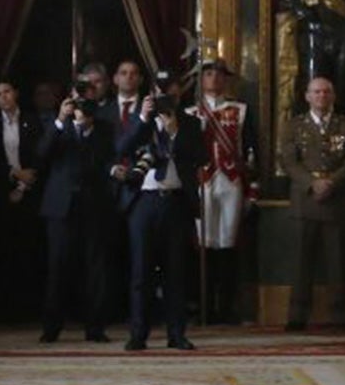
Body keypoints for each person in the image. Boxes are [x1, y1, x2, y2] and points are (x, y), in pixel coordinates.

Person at [121, 77, 205, 351]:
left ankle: (177, 333)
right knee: (140, 271)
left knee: (176, 271)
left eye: (169, 94)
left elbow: (201, 156)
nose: (164, 99)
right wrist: (144, 119)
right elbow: (120, 148)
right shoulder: (138, 120)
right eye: (159, 94)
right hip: (144, 202)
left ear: (178, 95)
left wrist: (174, 133)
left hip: (176, 201)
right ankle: (138, 334)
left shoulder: (190, 123)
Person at [280, 75, 345, 329]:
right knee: (301, 263)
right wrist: (311, 183)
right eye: (316, 92)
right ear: (307, 96)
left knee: (337, 262)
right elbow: (288, 161)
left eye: (326, 92)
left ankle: (340, 315)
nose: (321, 97)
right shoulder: (294, 126)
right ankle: (296, 316)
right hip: (305, 201)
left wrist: (331, 182)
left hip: (335, 200)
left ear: (334, 96)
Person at [38, 79, 113, 343]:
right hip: (61, 207)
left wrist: (88, 127)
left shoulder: (103, 128)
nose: (82, 105)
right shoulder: (56, 124)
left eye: (87, 99)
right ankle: (51, 327)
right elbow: (42, 154)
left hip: (93, 206)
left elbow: (105, 158)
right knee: (58, 267)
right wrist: (61, 120)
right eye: (78, 99)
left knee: (95, 269)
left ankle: (95, 327)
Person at [0, 78, 44, 322]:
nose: (3, 97)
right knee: (3, 248)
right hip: (1, 191)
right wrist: (13, 174)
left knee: (29, 248)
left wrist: (23, 185)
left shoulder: (32, 120)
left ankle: (29, 305)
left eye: (7, 91)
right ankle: (5, 306)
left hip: (31, 192)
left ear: (15, 93)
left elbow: (39, 155)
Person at [193, 60, 257, 324]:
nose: (214, 79)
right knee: (205, 244)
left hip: (231, 180)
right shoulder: (191, 111)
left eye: (219, 75)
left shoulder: (240, 110)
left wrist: (253, 186)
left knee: (228, 243)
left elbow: (252, 149)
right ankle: (204, 306)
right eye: (208, 74)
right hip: (203, 181)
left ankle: (227, 307)